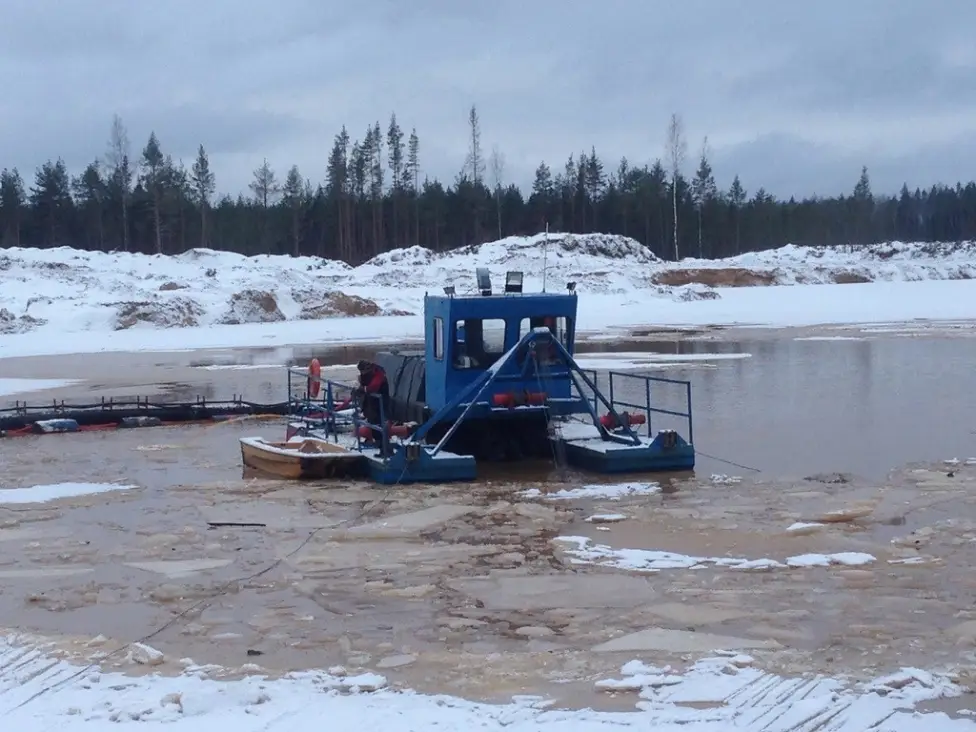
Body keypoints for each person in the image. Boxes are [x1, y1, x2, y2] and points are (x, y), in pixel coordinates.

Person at [354, 359, 390, 445]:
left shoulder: (378, 374)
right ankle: (376, 441)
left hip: (380, 403)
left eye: (363, 371)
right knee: (372, 422)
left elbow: (374, 386)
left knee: (379, 423)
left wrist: (363, 389)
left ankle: (384, 446)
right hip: (370, 403)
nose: (362, 373)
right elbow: (363, 384)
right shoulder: (367, 375)